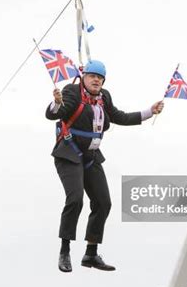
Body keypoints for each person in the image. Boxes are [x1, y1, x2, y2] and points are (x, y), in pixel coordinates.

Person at [45, 60, 164, 272]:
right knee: (75, 200)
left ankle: (91, 254)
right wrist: (56, 102)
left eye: (100, 78)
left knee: (103, 202)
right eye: (92, 76)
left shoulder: (104, 97)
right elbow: (56, 113)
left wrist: (149, 112)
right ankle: (64, 251)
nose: (96, 80)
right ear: (84, 77)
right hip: (69, 154)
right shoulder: (72, 91)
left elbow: (119, 116)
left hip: (91, 156)